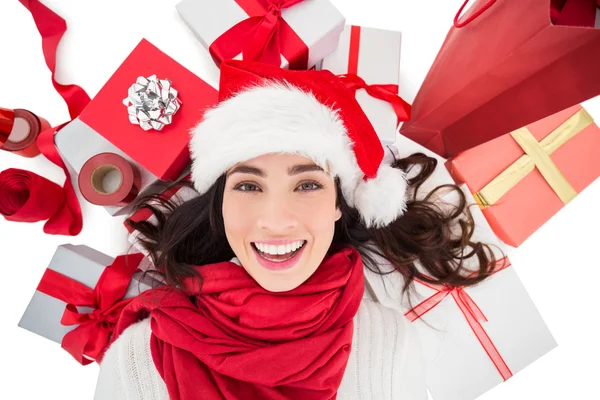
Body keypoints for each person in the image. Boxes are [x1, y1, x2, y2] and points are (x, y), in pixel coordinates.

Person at [93, 60, 501, 400]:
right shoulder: (136, 360)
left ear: (339, 206)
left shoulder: (389, 344)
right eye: (248, 186)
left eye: (307, 184)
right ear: (220, 205)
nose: (275, 220)